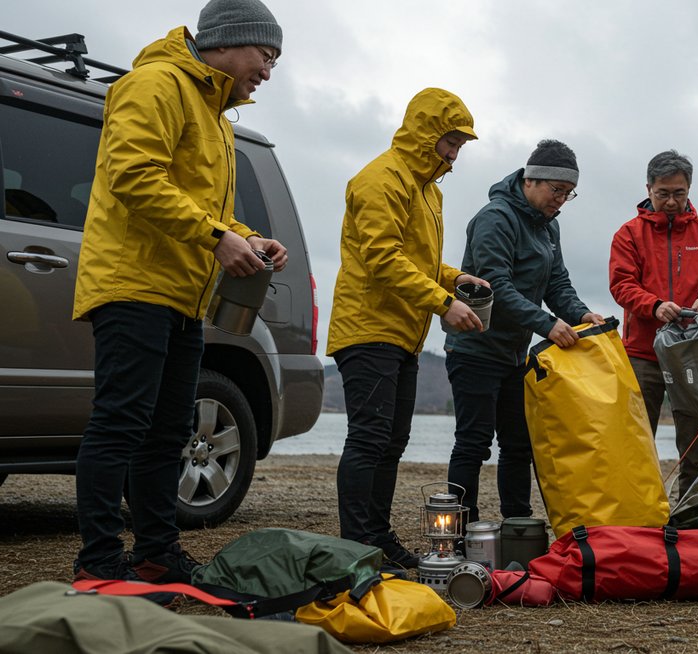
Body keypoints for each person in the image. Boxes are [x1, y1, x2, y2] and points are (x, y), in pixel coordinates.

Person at [71, 0, 287, 584]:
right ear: (228, 40)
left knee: (169, 431)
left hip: (182, 296)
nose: (268, 72)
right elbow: (134, 174)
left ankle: (156, 555)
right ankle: (98, 562)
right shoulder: (155, 84)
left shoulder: (216, 116)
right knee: (121, 423)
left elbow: (203, 205)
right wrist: (216, 237)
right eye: (265, 56)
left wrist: (246, 235)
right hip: (133, 284)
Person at [327, 88, 483, 567]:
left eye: (460, 146)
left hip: (403, 334)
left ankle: (378, 539)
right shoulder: (381, 178)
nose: (454, 155)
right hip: (367, 326)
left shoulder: (429, 190)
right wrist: (444, 303)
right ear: (425, 133)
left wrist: (455, 279)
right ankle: (359, 545)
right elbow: (382, 257)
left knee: (392, 443)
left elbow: (419, 261)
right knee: (369, 439)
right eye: (450, 143)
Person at [445, 139, 604, 523]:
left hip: (515, 355)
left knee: (519, 445)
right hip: (475, 349)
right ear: (530, 180)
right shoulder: (495, 218)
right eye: (557, 190)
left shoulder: (549, 227)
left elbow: (557, 285)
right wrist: (547, 324)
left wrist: (582, 315)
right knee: (473, 444)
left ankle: (518, 526)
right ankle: (460, 531)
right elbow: (497, 287)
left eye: (568, 194)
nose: (561, 201)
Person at [608, 150, 698, 497]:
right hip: (641, 353)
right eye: (662, 193)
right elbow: (621, 284)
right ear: (648, 188)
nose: (670, 201)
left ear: (689, 189)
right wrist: (653, 305)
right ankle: (638, 508)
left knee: (695, 443)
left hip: (694, 353)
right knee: (636, 439)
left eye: (679, 193)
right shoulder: (628, 234)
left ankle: (691, 511)